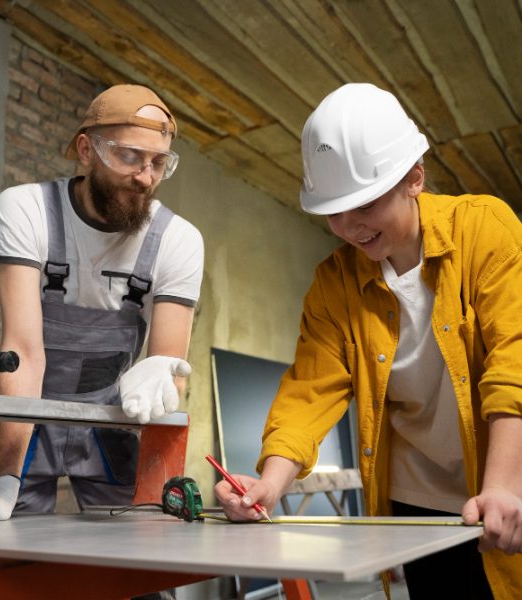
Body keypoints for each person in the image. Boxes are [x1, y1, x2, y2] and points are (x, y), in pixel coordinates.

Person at [214, 83, 522, 599]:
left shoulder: (484, 229)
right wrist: (270, 483)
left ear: (414, 179)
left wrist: (505, 484)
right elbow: (309, 393)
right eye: (332, 211)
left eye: (364, 204)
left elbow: (513, 357)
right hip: (418, 504)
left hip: (505, 482)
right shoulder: (334, 283)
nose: (349, 226)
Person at [0, 84, 204, 527]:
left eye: (159, 163)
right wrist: (4, 483)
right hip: (28, 414)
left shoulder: (178, 239)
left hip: (116, 419)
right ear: (86, 150)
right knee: (6, 554)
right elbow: (23, 353)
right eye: (130, 156)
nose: (146, 176)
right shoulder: (26, 209)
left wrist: (162, 372)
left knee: (142, 551)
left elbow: (171, 373)